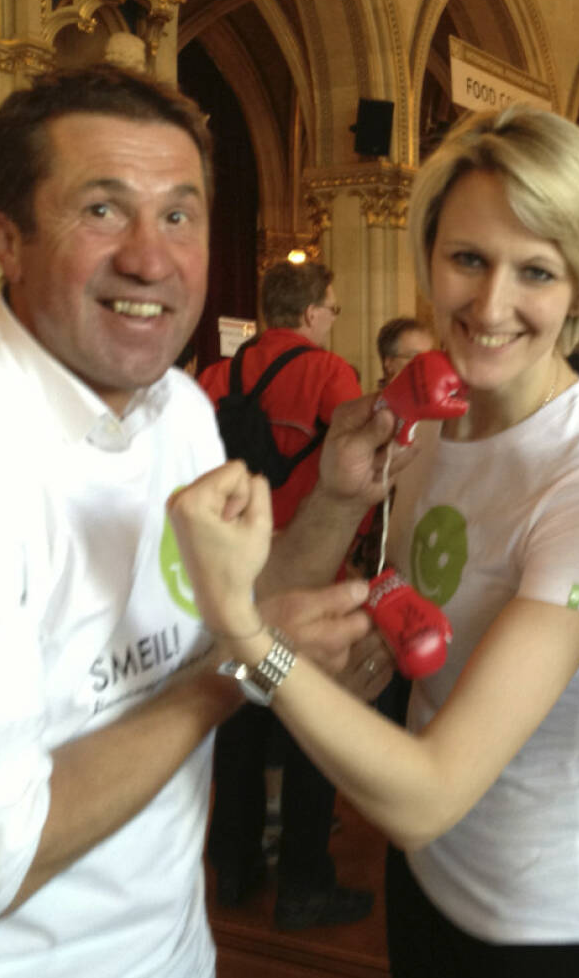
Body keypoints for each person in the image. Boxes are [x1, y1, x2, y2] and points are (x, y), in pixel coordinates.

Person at [0, 63, 388, 978]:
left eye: (180, 214)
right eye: (102, 210)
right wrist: (243, 675)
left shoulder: (176, 408)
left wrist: (341, 497)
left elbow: (233, 610)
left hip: (168, 950)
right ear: (8, 238)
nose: (151, 257)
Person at [169, 104, 579, 977]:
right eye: (468, 258)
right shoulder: (432, 424)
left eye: (536, 271)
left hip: (545, 923)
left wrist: (256, 649)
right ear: (429, 259)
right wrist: (329, 494)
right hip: (428, 880)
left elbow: (430, 792)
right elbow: (305, 584)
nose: (492, 302)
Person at [198, 259, 373, 930]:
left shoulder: (218, 375)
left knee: (240, 722)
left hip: (239, 581)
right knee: (309, 730)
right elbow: (354, 474)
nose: (333, 319)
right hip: (312, 581)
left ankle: (234, 866)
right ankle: (304, 880)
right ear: (308, 314)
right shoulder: (331, 374)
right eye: (331, 308)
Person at [376, 315, 433, 387]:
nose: (426, 365)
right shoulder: (374, 398)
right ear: (390, 363)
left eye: (429, 357)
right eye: (416, 357)